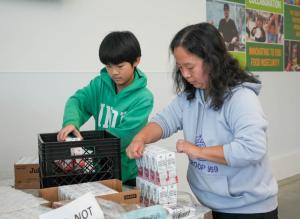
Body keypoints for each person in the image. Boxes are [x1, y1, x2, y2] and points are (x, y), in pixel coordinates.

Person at [126, 23, 278, 219]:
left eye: (190, 67)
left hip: (247, 209)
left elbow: (252, 148)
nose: (185, 75)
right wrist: (141, 138)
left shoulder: (241, 98)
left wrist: (199, 152)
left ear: (213, 60)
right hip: (208, 205)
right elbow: (164, 121)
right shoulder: (190, 97)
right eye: (180, 68)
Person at [57, 31, 153, 186]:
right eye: (108, 66)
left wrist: (83, 147)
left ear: (136, 61)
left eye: (120, 66)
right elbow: (77, 101)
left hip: (127, 174)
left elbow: (123, 137)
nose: (114, 72)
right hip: (99, 170)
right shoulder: (99, 85)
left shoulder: (143, 98)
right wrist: (71, 122)